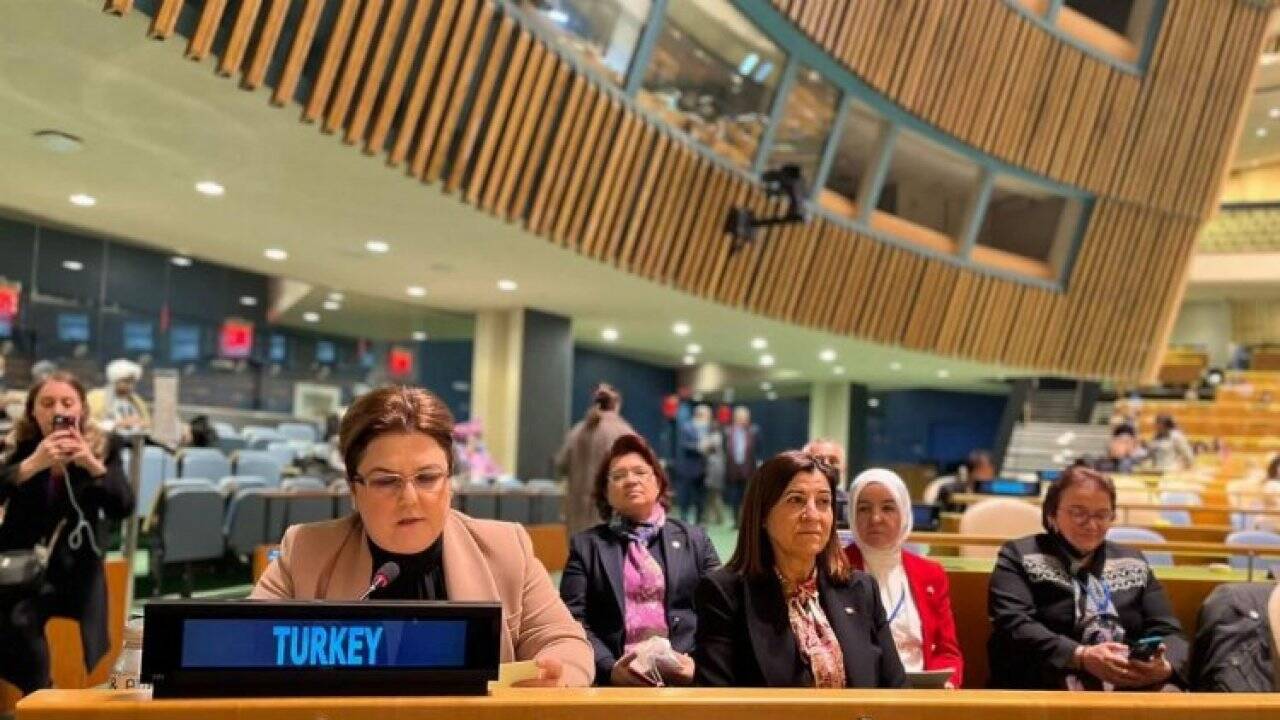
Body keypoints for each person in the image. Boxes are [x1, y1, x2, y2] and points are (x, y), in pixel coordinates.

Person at [252, 386, 594, 686]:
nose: (410, 499)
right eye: (386, 481)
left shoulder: (505, 548)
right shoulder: (306, 551)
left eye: (427, 478)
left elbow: (565, 642)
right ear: (354, 489)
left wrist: (556, 672)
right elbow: (247, 646)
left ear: (450, 482)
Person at [694, 450, 906, 688]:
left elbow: (897, 689)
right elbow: (715, 700)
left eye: (823, 502)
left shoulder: (861, 589)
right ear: (763, 514)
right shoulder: (724, 595)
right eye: (796, 500)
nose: (813, 515)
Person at [987, 465, 1188, 690]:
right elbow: (1013, 624)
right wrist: (1081, 656)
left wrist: (1164, 666)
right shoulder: (1019, 555)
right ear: (1052, 514)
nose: (1091, 524)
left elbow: (1168, 631)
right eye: (1078, 513)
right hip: (1044, 684)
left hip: (1127, 684)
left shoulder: (1134, 560)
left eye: (1102, 515)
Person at [0, 371, 133, 694]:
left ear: (82, 410)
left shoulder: (103, 446)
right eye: (47, 403)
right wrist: (32, 465)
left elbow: (123, 506)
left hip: (76, 570)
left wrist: (92, 465)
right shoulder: (16, 445)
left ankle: (40, 698)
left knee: (24, 620)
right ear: (33, 411)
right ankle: (41, 693)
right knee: (16, 622)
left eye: (67, 402)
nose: (58, 410)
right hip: (19, 566)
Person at [560, 434, 720, 686]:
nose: (631, 480)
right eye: (618, 476)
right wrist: (609, 668)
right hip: (615, 681)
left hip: (688, 678)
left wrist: (699, 664)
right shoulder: (586, 547)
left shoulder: (695, 540)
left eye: (640, 472)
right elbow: (572, 619)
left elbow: (720, 611)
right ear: (606, 492)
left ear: (658, 483)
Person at [844, 468, 963, 687]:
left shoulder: (930, 573)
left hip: (923, 693)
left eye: (888, 508)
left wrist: (947, 686)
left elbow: (947, 651)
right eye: (864, 509)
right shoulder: (835, 569)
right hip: (863, 691)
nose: (876, 518)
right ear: (851, 514)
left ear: (905, 513)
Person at [556, 384, 635, 535]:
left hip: (577, 513)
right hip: (607, 514)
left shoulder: (577, 430)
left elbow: (561, 465)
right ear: (617, 404)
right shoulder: (623, 432)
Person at [86, 359, 150, 434]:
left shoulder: (136, 401)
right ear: (115, 380)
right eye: (126, 381)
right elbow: (89, 422)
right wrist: (117, 424)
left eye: (132, 382)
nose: (130, 386)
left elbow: (146, 422)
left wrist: (142, 424)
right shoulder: (96, 397)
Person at [674, 404, 712, 524]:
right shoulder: (687, 428)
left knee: (701, 499)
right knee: (686, 497)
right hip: (689, 468)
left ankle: (699, 521)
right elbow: (684, 445)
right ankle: (684, 521)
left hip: (703, 469)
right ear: (700, 415)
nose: (709, 418)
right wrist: (698, 447)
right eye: (707, 416)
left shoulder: (708, 429)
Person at [723, 406, 760, 526]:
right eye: (740, 417)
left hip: (748, 469)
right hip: (733, 469)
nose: (743, 419)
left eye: (745, 417)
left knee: (748, 497)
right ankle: (736, 521)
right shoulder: (727, 431)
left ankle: (746, 521)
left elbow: (759, 450)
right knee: (734, 497)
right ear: (735, 418)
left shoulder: (754, 431)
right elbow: (724, 450)